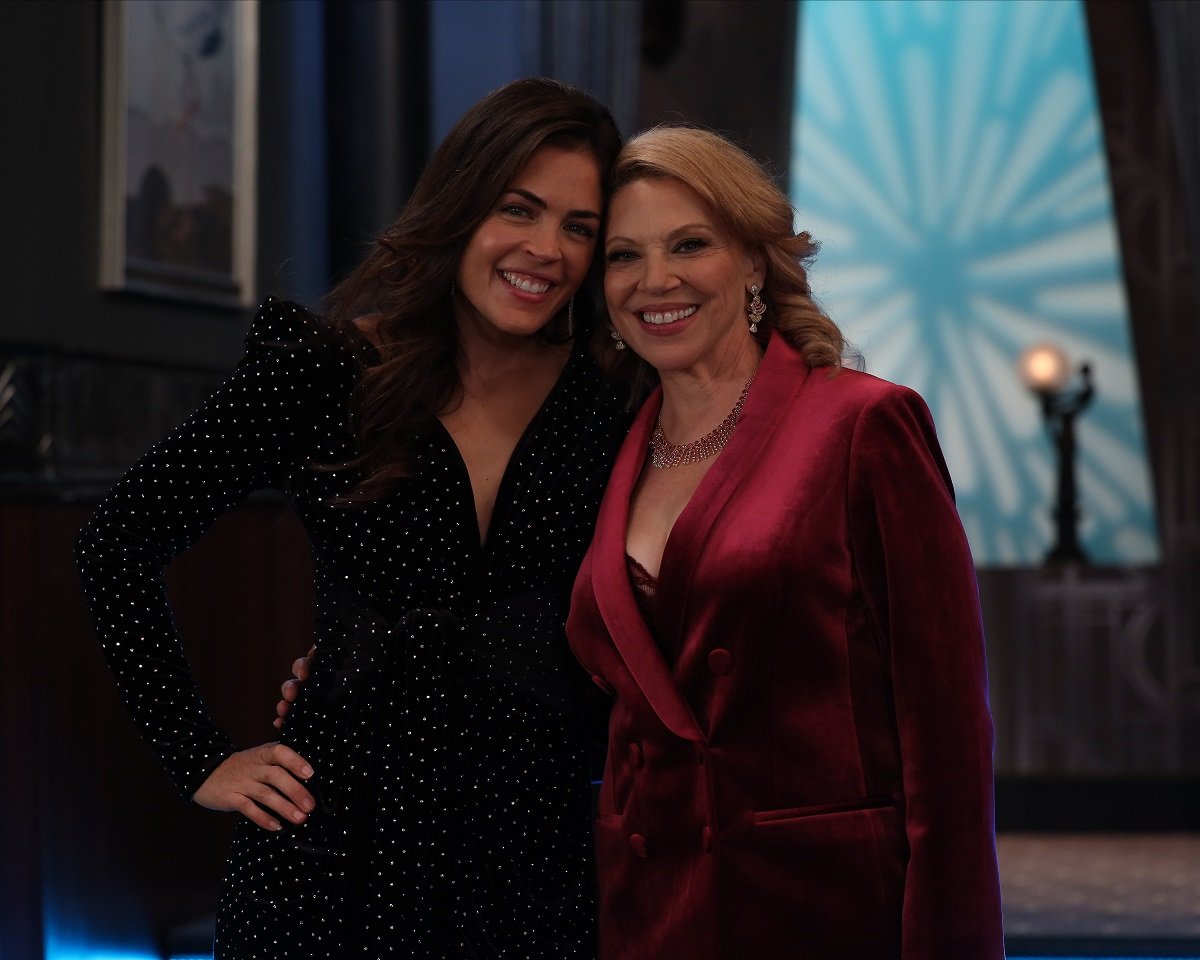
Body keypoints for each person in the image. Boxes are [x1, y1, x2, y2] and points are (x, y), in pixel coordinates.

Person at [75, 78, 628, 959]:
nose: (545, 249)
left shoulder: (614, 400)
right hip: (331, 851)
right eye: (518, 209)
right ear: (462, 203)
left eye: (580, 227)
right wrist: (200, 757)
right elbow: (117, 543)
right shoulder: (326, 370)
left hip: (532, 858)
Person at [565, 126, 1005, 958]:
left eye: (689, 244)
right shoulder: (603, 450)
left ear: (755, 263)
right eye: (624, 256)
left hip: (818, 912)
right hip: (647, 913)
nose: (656, 280)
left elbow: (948, 736)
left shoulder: (864, 424)